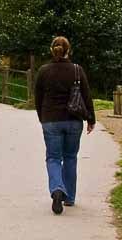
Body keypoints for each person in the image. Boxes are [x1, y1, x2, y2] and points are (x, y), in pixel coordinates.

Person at [34, 36, 96, 214]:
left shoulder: (44, 71)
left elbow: (38, 98)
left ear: (51, 50)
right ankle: (69, 198)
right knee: (70, 157)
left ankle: (57, 189)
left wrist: (42, 117)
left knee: (53, 158)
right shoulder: (77, 70)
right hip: (73, 120)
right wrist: (91, 119)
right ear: (68, 50)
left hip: (50, 120)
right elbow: (86, 95)